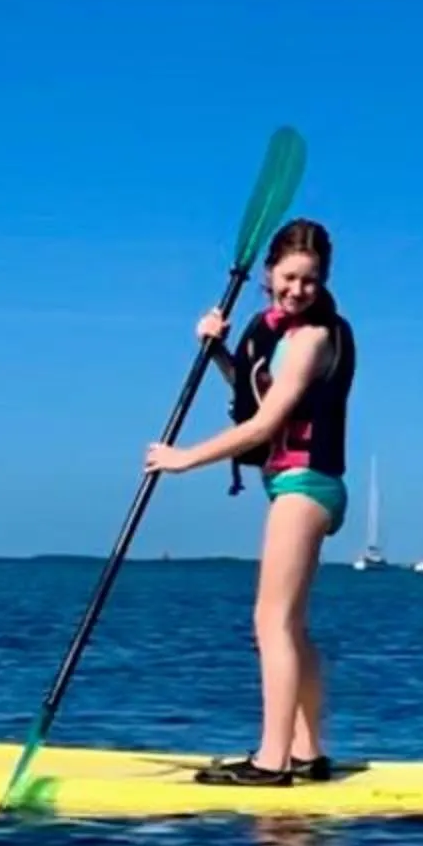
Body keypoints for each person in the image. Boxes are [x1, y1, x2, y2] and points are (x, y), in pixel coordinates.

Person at [143, 218, 358, 785]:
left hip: (306, 485)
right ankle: (308, 754)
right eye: (289, 278)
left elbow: (267, 422)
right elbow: (252, 390)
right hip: (296, 485)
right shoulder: (277, 334)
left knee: (270, 621)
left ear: (324, 281)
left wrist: (184, 458)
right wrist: (216, 351)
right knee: (292, 625)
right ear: (269, 275)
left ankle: (272, 761)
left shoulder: (313, 338)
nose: (298, 290)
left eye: (310, 281)